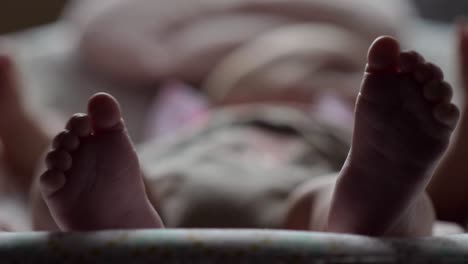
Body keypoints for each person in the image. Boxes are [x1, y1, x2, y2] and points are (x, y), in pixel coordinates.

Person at [35, 36, 460, 236]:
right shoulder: (190, 115)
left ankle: (372, 204)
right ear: (225, 94)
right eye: (281, 72)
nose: (303, 85)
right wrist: (15, 111)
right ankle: (120, 219)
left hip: (315, 204)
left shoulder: (344, 125)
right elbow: (49, 141)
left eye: (328, 76)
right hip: (154, 194)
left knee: (402, 197)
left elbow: (450, 183)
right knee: (70, 170)